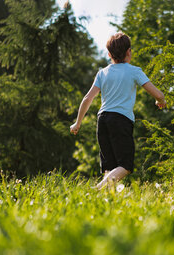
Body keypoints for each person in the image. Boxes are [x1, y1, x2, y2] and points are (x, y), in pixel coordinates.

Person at [70, 32, 166, 189]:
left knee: (110, 167)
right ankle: (96, 190)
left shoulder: (102, 73)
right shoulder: (134, 71)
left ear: (109, 54)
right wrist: (160, 101)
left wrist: (77, 123)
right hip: (121, 120)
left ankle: (105, 201)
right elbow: (159, 94)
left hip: (102, 119)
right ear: (129, 52)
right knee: (125, 166)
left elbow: (87, 99)